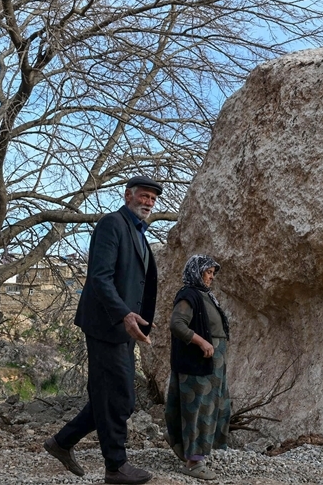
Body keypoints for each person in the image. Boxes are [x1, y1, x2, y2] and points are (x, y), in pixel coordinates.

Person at [44, 176, 161, 485]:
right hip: (106, 325)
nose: (148, 202)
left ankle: (62, 442)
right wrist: (123, 314)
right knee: (119, 396)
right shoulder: (112, 224)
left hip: (125, 328)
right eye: (144, 196)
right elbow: (100, 277)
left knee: (109, 397)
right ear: (128, 196)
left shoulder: (138, 233)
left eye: (152, 199)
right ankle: (116, 466)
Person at [164, 254, 232, 481]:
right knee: (197, 411)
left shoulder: (204, 295)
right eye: (208, 272)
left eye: (213, 273)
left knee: (212, 409)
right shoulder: (188, 295)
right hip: (197, 368)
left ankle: (198, 455)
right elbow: (177, 324)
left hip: (211, 368)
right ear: (196, 271)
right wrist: (202, 341)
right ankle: (193, 463)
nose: (211, 277)